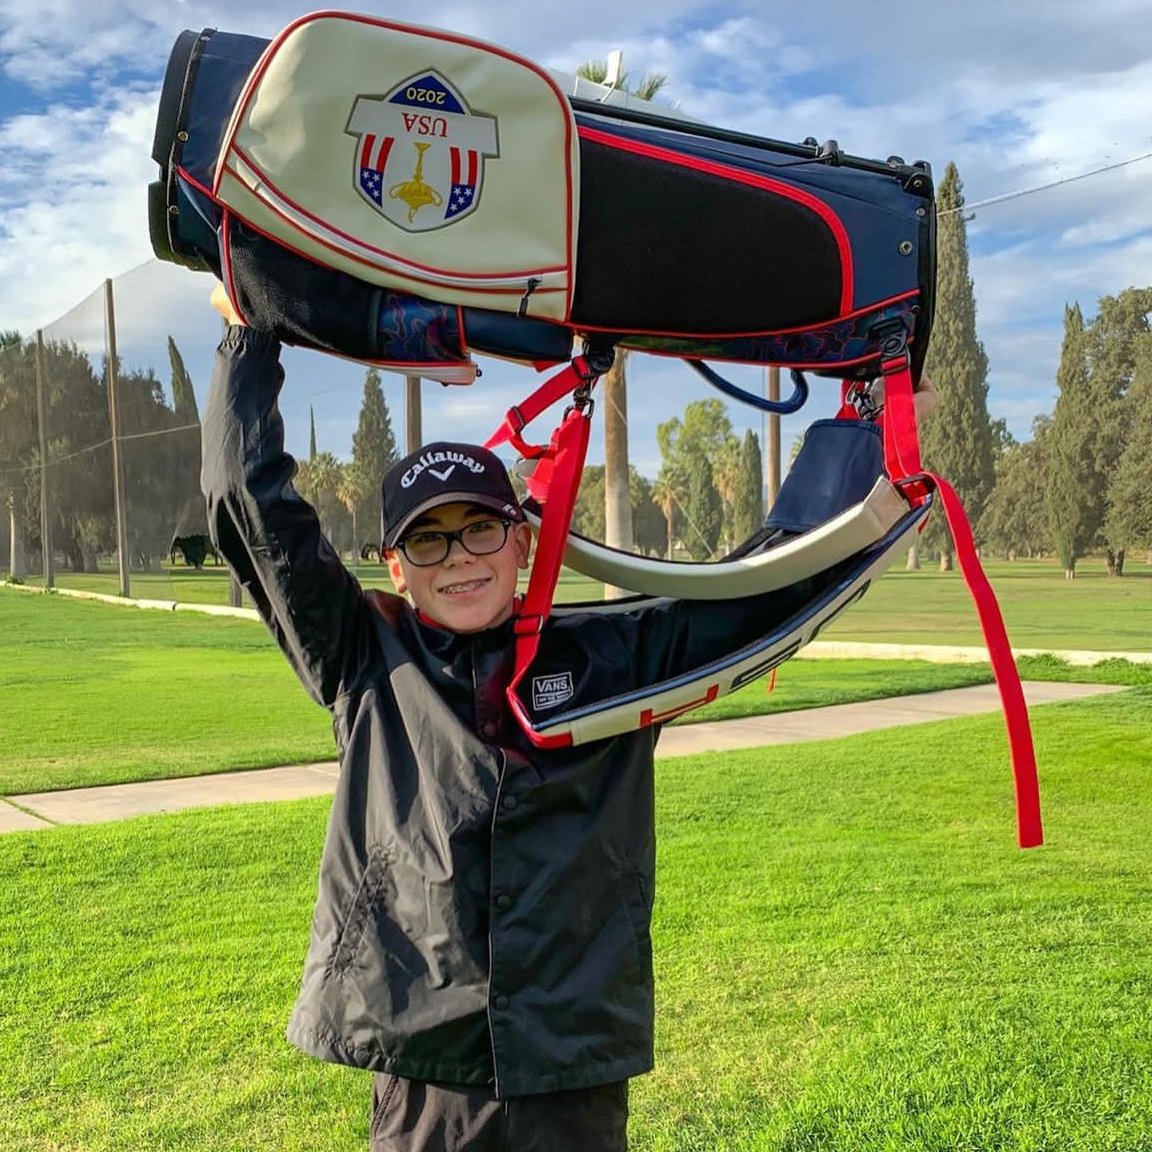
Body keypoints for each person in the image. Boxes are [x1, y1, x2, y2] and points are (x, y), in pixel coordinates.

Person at [201, 283, 933, 1151]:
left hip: (571, 1060)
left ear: (522, 541)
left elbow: (766, 593)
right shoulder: (364, 658)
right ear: (396, 567)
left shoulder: (612, 661)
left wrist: (871, 435)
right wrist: (250, 341)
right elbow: (252, 509)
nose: (459, 558)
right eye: (428, 540)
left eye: (480, 530)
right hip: (427, 1060)